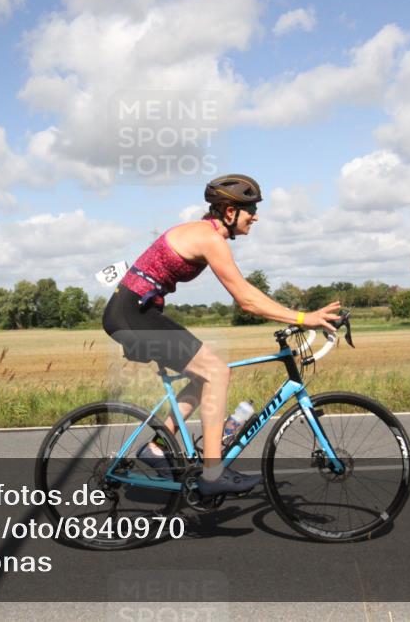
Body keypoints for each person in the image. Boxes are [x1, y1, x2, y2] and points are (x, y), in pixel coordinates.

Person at [102, 174, 341, 495]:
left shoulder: (206, 233)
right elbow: (246, 299)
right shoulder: (210, 239)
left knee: (208, 373)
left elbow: (248, 294)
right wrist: (303, 317)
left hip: (137, 311)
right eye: (250, 208)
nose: (255, 215)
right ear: (229, 212)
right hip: (132, 314)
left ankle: (158, 448)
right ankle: (213, 474)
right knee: (215, 371)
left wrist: (295, 316)